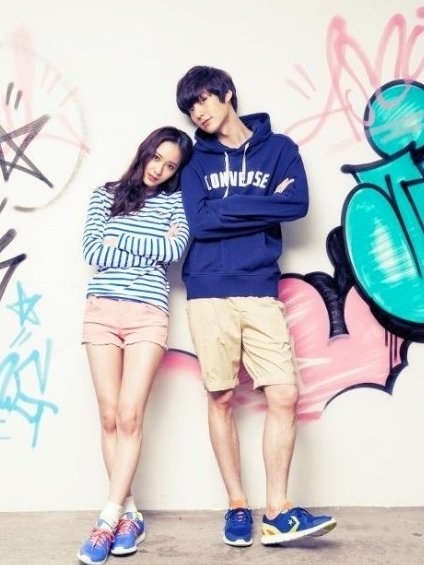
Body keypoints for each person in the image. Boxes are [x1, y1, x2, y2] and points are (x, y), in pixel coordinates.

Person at [176, 66, 336, 547]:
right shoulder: (194, 161)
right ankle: (237, 505)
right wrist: (263, 201)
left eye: (203, 99)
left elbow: (297, 204)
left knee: (283, 393)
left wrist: (225, 207)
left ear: (227, 93)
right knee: (221, 397)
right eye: (190, 108)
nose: (198, 112)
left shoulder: (279, 149)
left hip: (261, 286)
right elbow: (200, 224)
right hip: (208, 288)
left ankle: (278, 511)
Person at [77, 126, 192, 565]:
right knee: (109, 416)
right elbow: (93, 251)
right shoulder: (103, 195)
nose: (160, 170)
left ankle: (106, 518)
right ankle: (129, 514)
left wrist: (119, 238)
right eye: (156, 158)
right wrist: (147, 246)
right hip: (101, 311)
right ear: (144, 152)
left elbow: (174, 249)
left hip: (147, 312)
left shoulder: (175, 203)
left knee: (130, 415)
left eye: (171, 166)